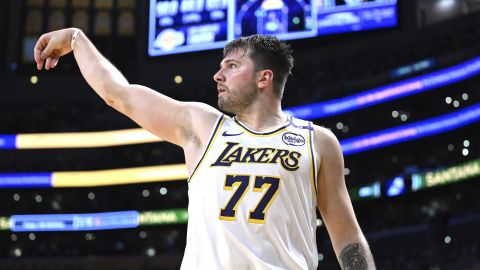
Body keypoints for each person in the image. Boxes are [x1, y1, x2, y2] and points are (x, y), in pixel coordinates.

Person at [34, 28, 376, 270]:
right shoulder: (204, 126)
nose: (218, 75)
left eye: (231, 66)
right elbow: (118, 93)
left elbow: (345, 233)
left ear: (264, 78)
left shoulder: (317, 140)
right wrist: (77, 39)